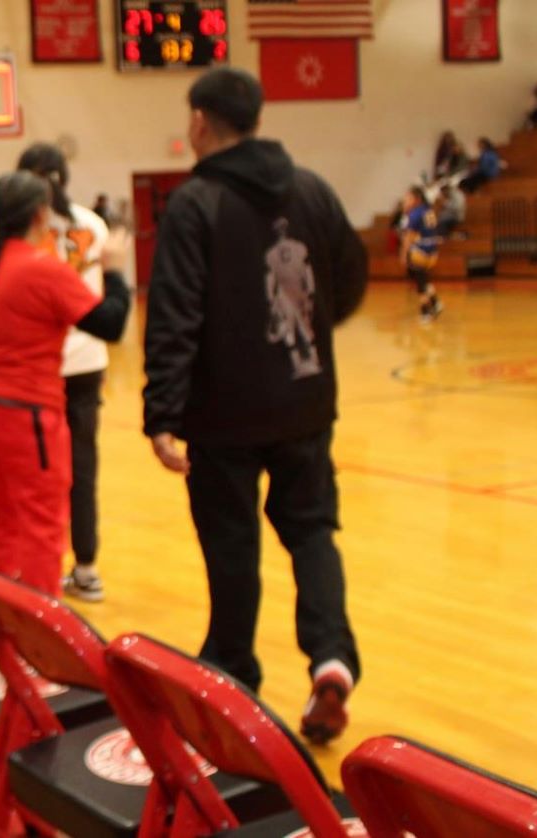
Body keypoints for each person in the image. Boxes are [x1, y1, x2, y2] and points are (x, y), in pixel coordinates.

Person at [142, 67, 368, 746]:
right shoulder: (312, 189)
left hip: (224, 415)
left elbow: (175, 313)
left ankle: (233, 674)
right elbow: (351, 277)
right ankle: (331, 658)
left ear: (203, 121)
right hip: (304, 401)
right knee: (311, 531)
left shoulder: (195, 201)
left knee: (232, 543)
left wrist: (163, 411)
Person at [0, 171, 130, 599]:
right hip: (22, 414)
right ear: (42, 214)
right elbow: (112, 324)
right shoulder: (45, 269)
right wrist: (116, 272)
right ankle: (40, 640)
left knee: (3, 517)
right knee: (43, 525)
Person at [16, 142, 117, 603]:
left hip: (39, 362)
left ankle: (40, 569)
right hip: (87, 360)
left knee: (38, 470)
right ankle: (87, 566)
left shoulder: (24, 228)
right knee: (84, 466)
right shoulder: (91, 225)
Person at [398, 187, 444, 323]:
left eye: (408, 198)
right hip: (432, 251)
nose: (405, 201)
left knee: (420, 282)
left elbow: (408, 237)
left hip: (421, 252)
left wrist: (403, 254)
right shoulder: (427, 210)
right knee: (422, 279)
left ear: (416, 199)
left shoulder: (415, 214)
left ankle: (425, 311)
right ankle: (435, 303)